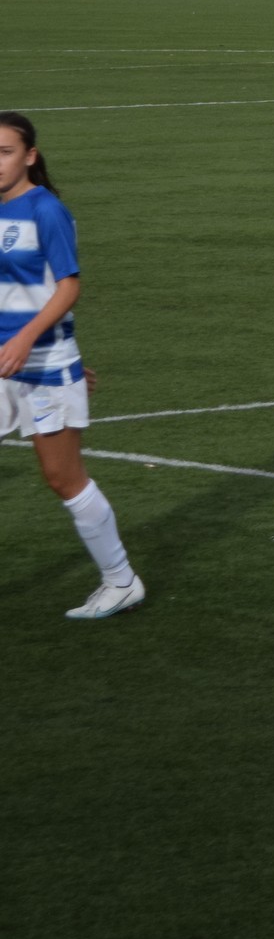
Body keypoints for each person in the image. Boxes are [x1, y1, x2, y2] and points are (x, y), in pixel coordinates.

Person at [0, 113, 143, 619]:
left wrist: (35, 342)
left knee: (63, 478)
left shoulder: (46, 211)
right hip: (5, 362)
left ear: (29, 156)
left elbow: (68, 286)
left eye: (5, 152)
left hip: (40, 364)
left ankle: (121, 581)